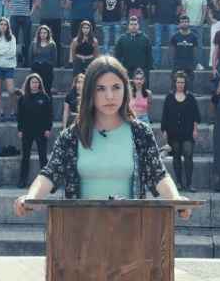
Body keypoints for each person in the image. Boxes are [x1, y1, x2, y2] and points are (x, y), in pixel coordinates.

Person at [15, 56, 188, 210]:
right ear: (90, 92)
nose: (110, 96)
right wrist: (31, 198)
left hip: (131, 231)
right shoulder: (72, 136)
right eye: (100, 89)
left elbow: (158, 174)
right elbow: (49, 174)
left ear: (125, 90)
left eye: (116, 87)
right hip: (82, 233)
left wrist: (176, 200)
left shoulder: (141, 133)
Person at [161, 71, 201, 192]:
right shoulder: (169, 98)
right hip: (173, 133)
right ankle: (178, 182)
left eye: (182, 82)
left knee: (188, 154)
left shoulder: (191, 98)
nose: (180, 84)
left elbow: (196, 116)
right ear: (174, 83)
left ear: (185, 83)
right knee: (176, 157)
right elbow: (165, 116)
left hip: (187, 132)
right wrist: (164, 131)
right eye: (178, 82)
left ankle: (189, 183)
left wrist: (195, 130)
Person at [16, 72, 53, 189]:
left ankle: (46, 183)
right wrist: (20, 129)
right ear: (29, 84)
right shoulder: (23, 98)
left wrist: (48, 129)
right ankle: (22, 180)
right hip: (27, 131)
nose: (35, 84)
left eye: (37, 82)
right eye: (33, 82)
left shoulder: (45, 97)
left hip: (41, 131)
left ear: (40, 84)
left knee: (43, 157)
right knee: (25, 157)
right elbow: (20, 115)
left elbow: (49, 115)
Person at [0, 18, 18, 120]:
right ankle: (1, 113)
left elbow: (12, 53)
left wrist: (0, 52)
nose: (3, 26)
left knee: (11, 91)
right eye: (1, 24)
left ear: (8, 26)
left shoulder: (12, 38)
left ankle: (12, 112)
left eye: (5, 24)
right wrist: (5, 51)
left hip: (9, 67)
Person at [115, 16, 153, 82]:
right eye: (131, 24)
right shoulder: (122, 39)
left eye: (135, 24)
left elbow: (149, 55)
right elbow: (117, 56)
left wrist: (147, 70)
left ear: (138, 26)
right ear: (128, 26)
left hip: (141, 71)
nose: (133, 26)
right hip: (127, 70)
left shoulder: (145, 39)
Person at [30, 25, 58, 95]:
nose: (43, 34)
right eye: (41, 33)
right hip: (36, 69)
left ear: (48, 34)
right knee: (35, 90)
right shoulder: (34, 44)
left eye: (45, 33)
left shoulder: (52, 44)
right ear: (38, 34)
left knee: (47, 90)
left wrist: (48, 65)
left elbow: (54, 59)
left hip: (47, 69)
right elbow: (30, 57)